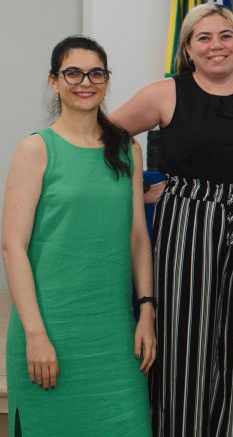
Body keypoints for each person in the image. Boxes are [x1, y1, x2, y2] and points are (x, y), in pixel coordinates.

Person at [110, 3, 233, 436]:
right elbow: (103, 134)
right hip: (187, 227)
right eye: (204, 37)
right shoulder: (165, 92)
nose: (216, 46)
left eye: (226, 36)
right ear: (188, 48)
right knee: (185, 345)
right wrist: (136, 187)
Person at [3, 36, 156, 435]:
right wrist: (35, 335)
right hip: (50, 332)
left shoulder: (127, 149)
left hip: (115, 337)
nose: (84, 81)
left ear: (106, 81)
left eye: (95, 73)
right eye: (72, 72)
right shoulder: (35, 149)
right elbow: (12, 248)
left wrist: (147, 311)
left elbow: (138, 237)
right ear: (54, 81)